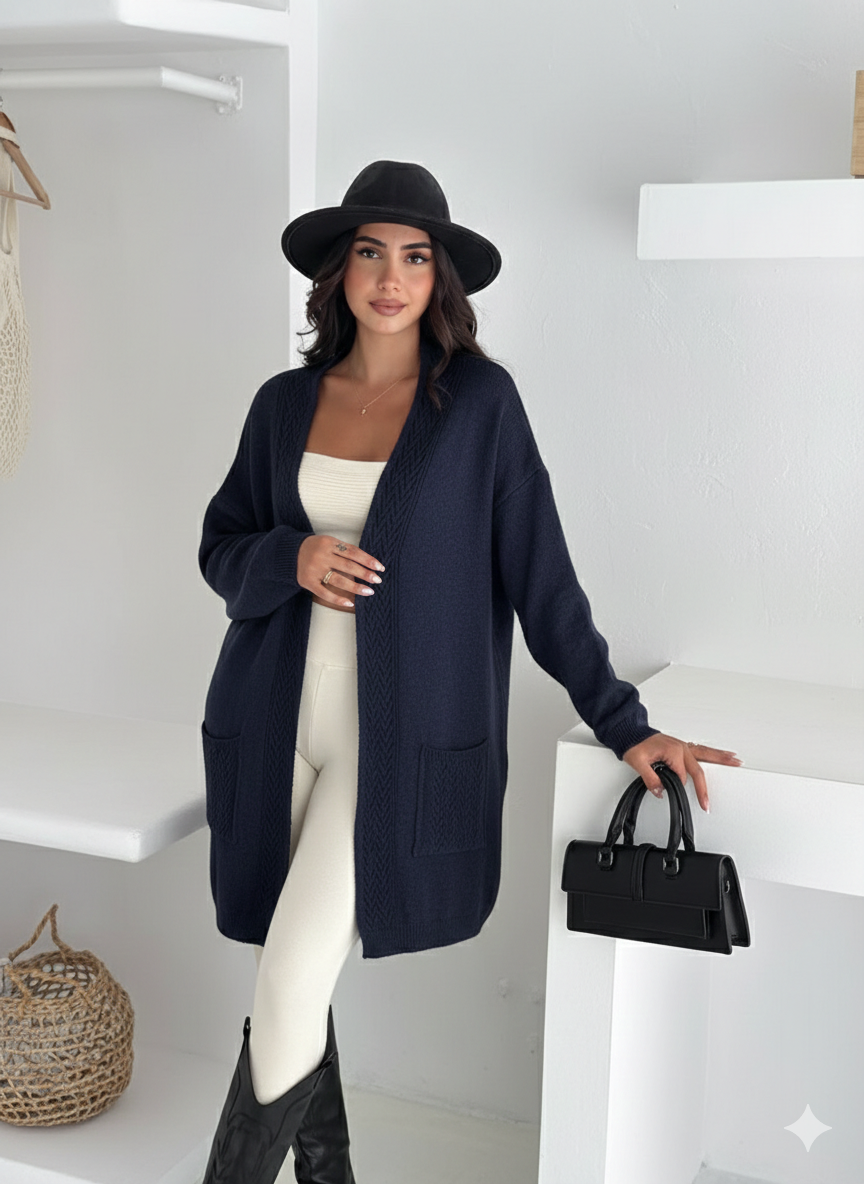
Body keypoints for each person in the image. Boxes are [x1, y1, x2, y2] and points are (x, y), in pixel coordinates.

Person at [197, 160, 741, 1184]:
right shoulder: (283, 404)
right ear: (338, 271)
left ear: (438, 277)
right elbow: (221, 546)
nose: (390, 278)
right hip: (270, 725)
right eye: (370, 253)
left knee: (290, 979)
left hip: (395, 743)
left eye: (414, 257)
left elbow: (542, 578)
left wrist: (626, 722)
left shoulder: (480, 406)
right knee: (291, 975)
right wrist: (290, 556)